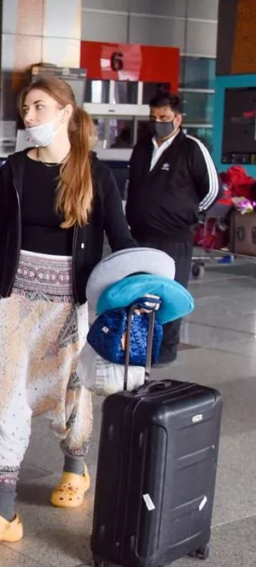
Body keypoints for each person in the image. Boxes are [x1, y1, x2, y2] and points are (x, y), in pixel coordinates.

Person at [0, 76, 136, 548]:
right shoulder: (15, 170)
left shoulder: (95, 173)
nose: (29, 116)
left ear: (65, 111)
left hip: (67, 304)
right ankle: (5, 511)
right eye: (25, 108)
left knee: (68, 389)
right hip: (12, 299)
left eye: (39, 106)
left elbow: (121, 240)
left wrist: (139, 289)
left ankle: (75, 466)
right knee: (3, 392)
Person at [125, 92, 218, 365]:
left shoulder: (191, 148)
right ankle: (139, 346)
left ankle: (166, 350)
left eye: (164, 117)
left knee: (170, 293)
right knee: (141, 293)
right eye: (153, 117)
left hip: (174, 237)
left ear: (178, 119)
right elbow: (134, 186)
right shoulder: (142, 147)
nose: (158, 122)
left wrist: (189, 215)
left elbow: (213, 190)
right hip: (140, 234)